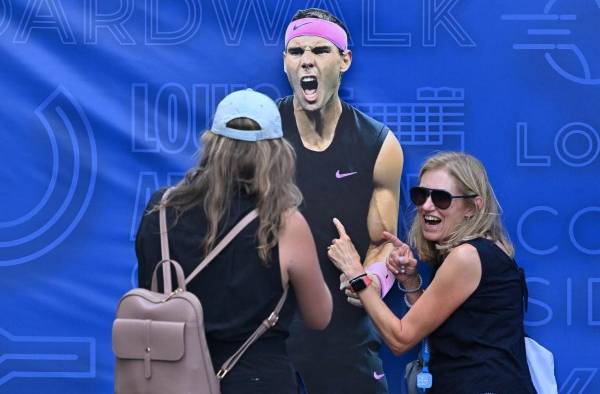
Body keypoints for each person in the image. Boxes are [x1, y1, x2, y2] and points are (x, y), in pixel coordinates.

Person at [135, 89, 332, 394]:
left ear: (212, 145)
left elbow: (152, 293)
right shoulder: (284, 224)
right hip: (257, 381)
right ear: (276, 154)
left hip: (169, 379)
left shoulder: (160, 210)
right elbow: (319, 317)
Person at [328, 151, 536, 393]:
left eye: (441, 198)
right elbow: (450, 329)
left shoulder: (466, 257)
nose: (426, 206)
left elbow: (401, 339)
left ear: (472, 207)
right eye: (421, 195)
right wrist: (410, 281)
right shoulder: (481, 252)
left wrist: (356, 272)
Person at [278, 7, 404, 394]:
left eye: (320, 50)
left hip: (343, 334)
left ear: (344, 60)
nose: (307, 61)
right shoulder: (261, 139)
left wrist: (370, 278)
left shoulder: (378, 144)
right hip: (265, 332)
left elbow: (384, 241)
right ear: (285, 63)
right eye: (296, 52)